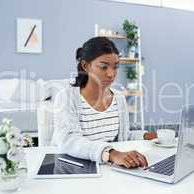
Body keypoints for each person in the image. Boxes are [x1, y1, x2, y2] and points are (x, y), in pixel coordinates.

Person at [51, 37, 158, 169]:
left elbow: (123, 137)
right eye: (103, 67)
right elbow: (69, 141)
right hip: (73, 168)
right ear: (86, 66)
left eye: (115, 67)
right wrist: (111, 154)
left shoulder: (118, 98)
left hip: (108, 169)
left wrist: (148, 136)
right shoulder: (66, 97)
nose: (111, 74)